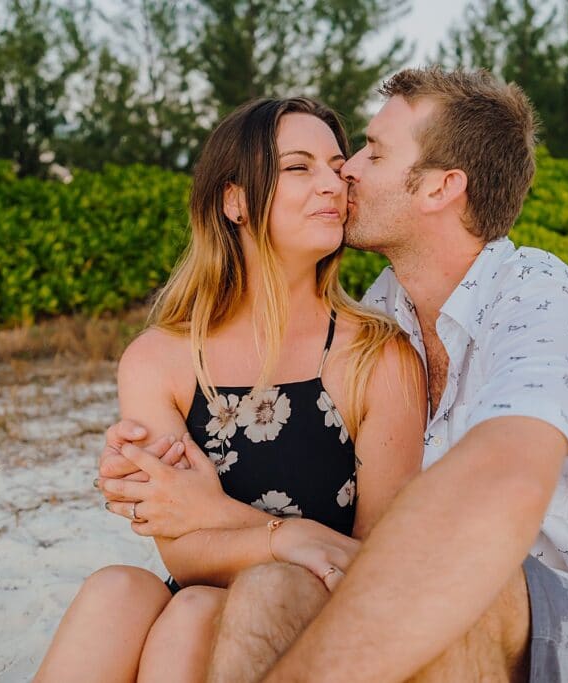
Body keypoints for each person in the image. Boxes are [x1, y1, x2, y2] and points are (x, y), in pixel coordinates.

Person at [101, 67, 568, 683]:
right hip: (437, 615)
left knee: (458, 572)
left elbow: (504, 479)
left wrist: (218, 514)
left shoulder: (540, 297)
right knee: (268, 593)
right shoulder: (383, 314)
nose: (347, 171)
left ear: (441, 188)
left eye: (372, 152)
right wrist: (214, 511)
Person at [33, 96, 426, 683]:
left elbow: (367, 564)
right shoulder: (160, 360)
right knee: (116, 590)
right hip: (199, 589)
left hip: (312, 614)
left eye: (338, 166)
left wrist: (232, 522)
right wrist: (286, 535)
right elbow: (182, 551)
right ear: (235, 200)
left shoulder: (375, 355)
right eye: (299, 167)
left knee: (194, 613)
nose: (334, 185)